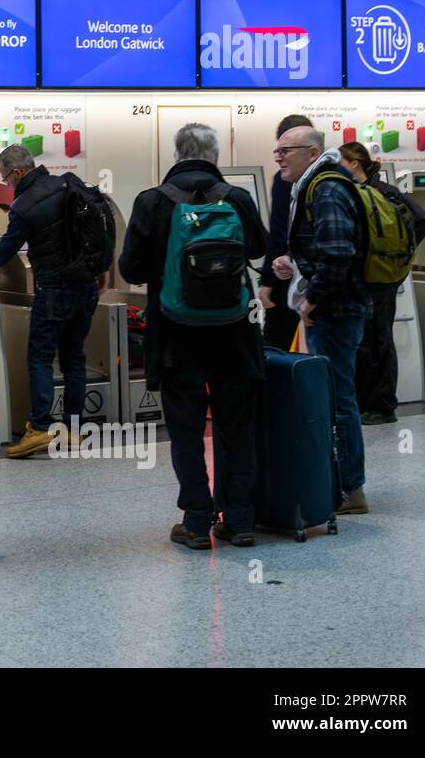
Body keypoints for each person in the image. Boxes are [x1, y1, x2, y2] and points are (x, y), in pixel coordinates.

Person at [120, 124, 268, 550]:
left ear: (177, 153)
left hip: (175, 336)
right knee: (236, 428)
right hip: (234, 334)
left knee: (186, 432)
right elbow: (258, 248)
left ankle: (197, 522)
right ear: (214, 155)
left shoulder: (153, 201)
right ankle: (240, 521)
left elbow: (131, 269)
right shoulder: (236, 198)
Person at [0, 143, 101, 459]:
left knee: (40, 358)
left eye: (5, 176)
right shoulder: (68, 183)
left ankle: (40, 428)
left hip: (54, 290)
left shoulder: (25, 205)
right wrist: (102, 269)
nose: (6, 182)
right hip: (86, 286)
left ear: (17, 172)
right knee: (74, 359)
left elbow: (5, 252)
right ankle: (73, 431)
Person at [271, 126, 370, 515]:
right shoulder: (312, 187)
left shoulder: (326, 188)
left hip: (336, 311)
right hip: (333, 308)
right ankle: (343, 483)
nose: (278, 157)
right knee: (335, 396)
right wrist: (291, 265)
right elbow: (324, 250)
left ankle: (351, 488)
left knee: (340, 399)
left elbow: (339, 253)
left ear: (312, 153)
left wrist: (312, 298)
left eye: (285, 150)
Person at [340, 141, 425, 425]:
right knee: (369, 339)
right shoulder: (378, 192)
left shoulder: (378, 193)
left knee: (376, 340)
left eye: (341, 162)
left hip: (377, 278)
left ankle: (381, 406)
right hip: (375, 276)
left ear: (354, 163)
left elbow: (423, 219)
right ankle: (370, 403)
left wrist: (400, 256)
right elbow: (421, 219)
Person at [258, 115, 315, 351]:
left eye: (285, 150)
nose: (280, 158)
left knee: (279, 348)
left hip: (293, 280)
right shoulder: (332, 178)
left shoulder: (286, 179)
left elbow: (281, 234)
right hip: (318, 281)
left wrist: (267, 281)